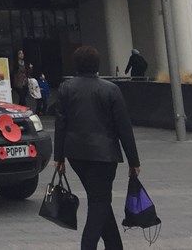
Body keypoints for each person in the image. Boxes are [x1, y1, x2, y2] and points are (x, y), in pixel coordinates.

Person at [54, 45, 140, 250]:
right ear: (97, 65)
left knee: (98, 198)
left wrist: (59, 157)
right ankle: (88, 245)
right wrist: (133, 161)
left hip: (76, 155)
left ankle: (114, 246)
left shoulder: (66, 88)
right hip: (104, 155)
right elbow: (123, 128)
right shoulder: (111, 89)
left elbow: (60, 124)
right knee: (99, 202)